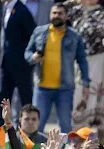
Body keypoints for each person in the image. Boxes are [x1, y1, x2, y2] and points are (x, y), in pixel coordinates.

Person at [25, 2, 90, 133]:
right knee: (37, 125)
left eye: (60, 13)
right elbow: (27, 53)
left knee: (65, 125)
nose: (57, 16)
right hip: (42, 87)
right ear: (50, 15)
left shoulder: (74, 36)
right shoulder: (39, 32)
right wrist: (33, 58)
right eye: (54, 13)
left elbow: (82, 61)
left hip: (64, 88)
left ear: (66, 16)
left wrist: (85, 83)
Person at [64, 0, 104, 131]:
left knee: (97, 95)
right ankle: (78, 133)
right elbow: (61, 8)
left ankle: (99, 136)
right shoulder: (74, 10)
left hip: (98, 58)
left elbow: (103, 34)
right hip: (79, 59)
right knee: (79, 94)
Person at [0, 0, 36, 127]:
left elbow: (33, 34)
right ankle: (1, 129)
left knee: (25, 97)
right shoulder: (5, 8)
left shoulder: (22, 10)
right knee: (3, 97)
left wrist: (29, 56)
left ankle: (28, 129)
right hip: (6, 63)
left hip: (21, 65)